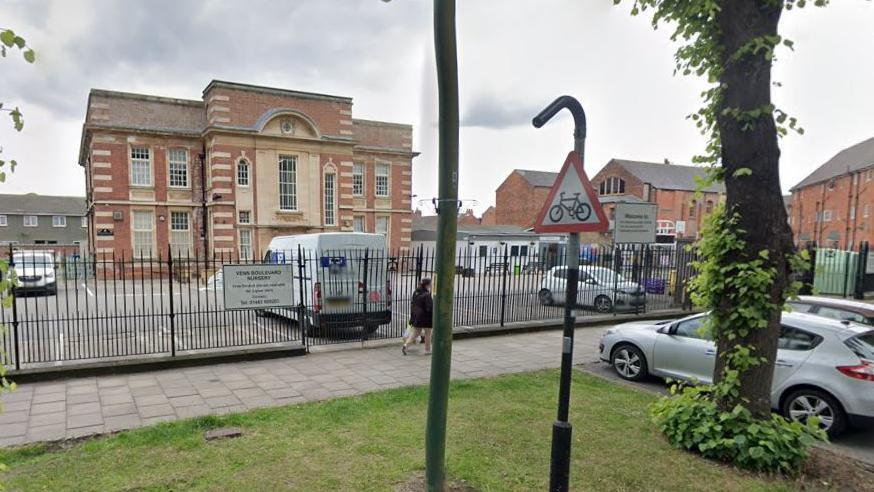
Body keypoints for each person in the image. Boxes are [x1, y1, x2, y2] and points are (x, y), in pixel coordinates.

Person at [402, 278, 433, 355]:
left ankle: (406, 345)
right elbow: (429, 308)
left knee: (415, 333)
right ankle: (427, 350)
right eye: (430, 284)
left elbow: (413, 304)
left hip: (417, 316)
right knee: (428, 333)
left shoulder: (416, 292)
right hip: (426, 318)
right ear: (427, 285)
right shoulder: (427, 295)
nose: (431, 285)